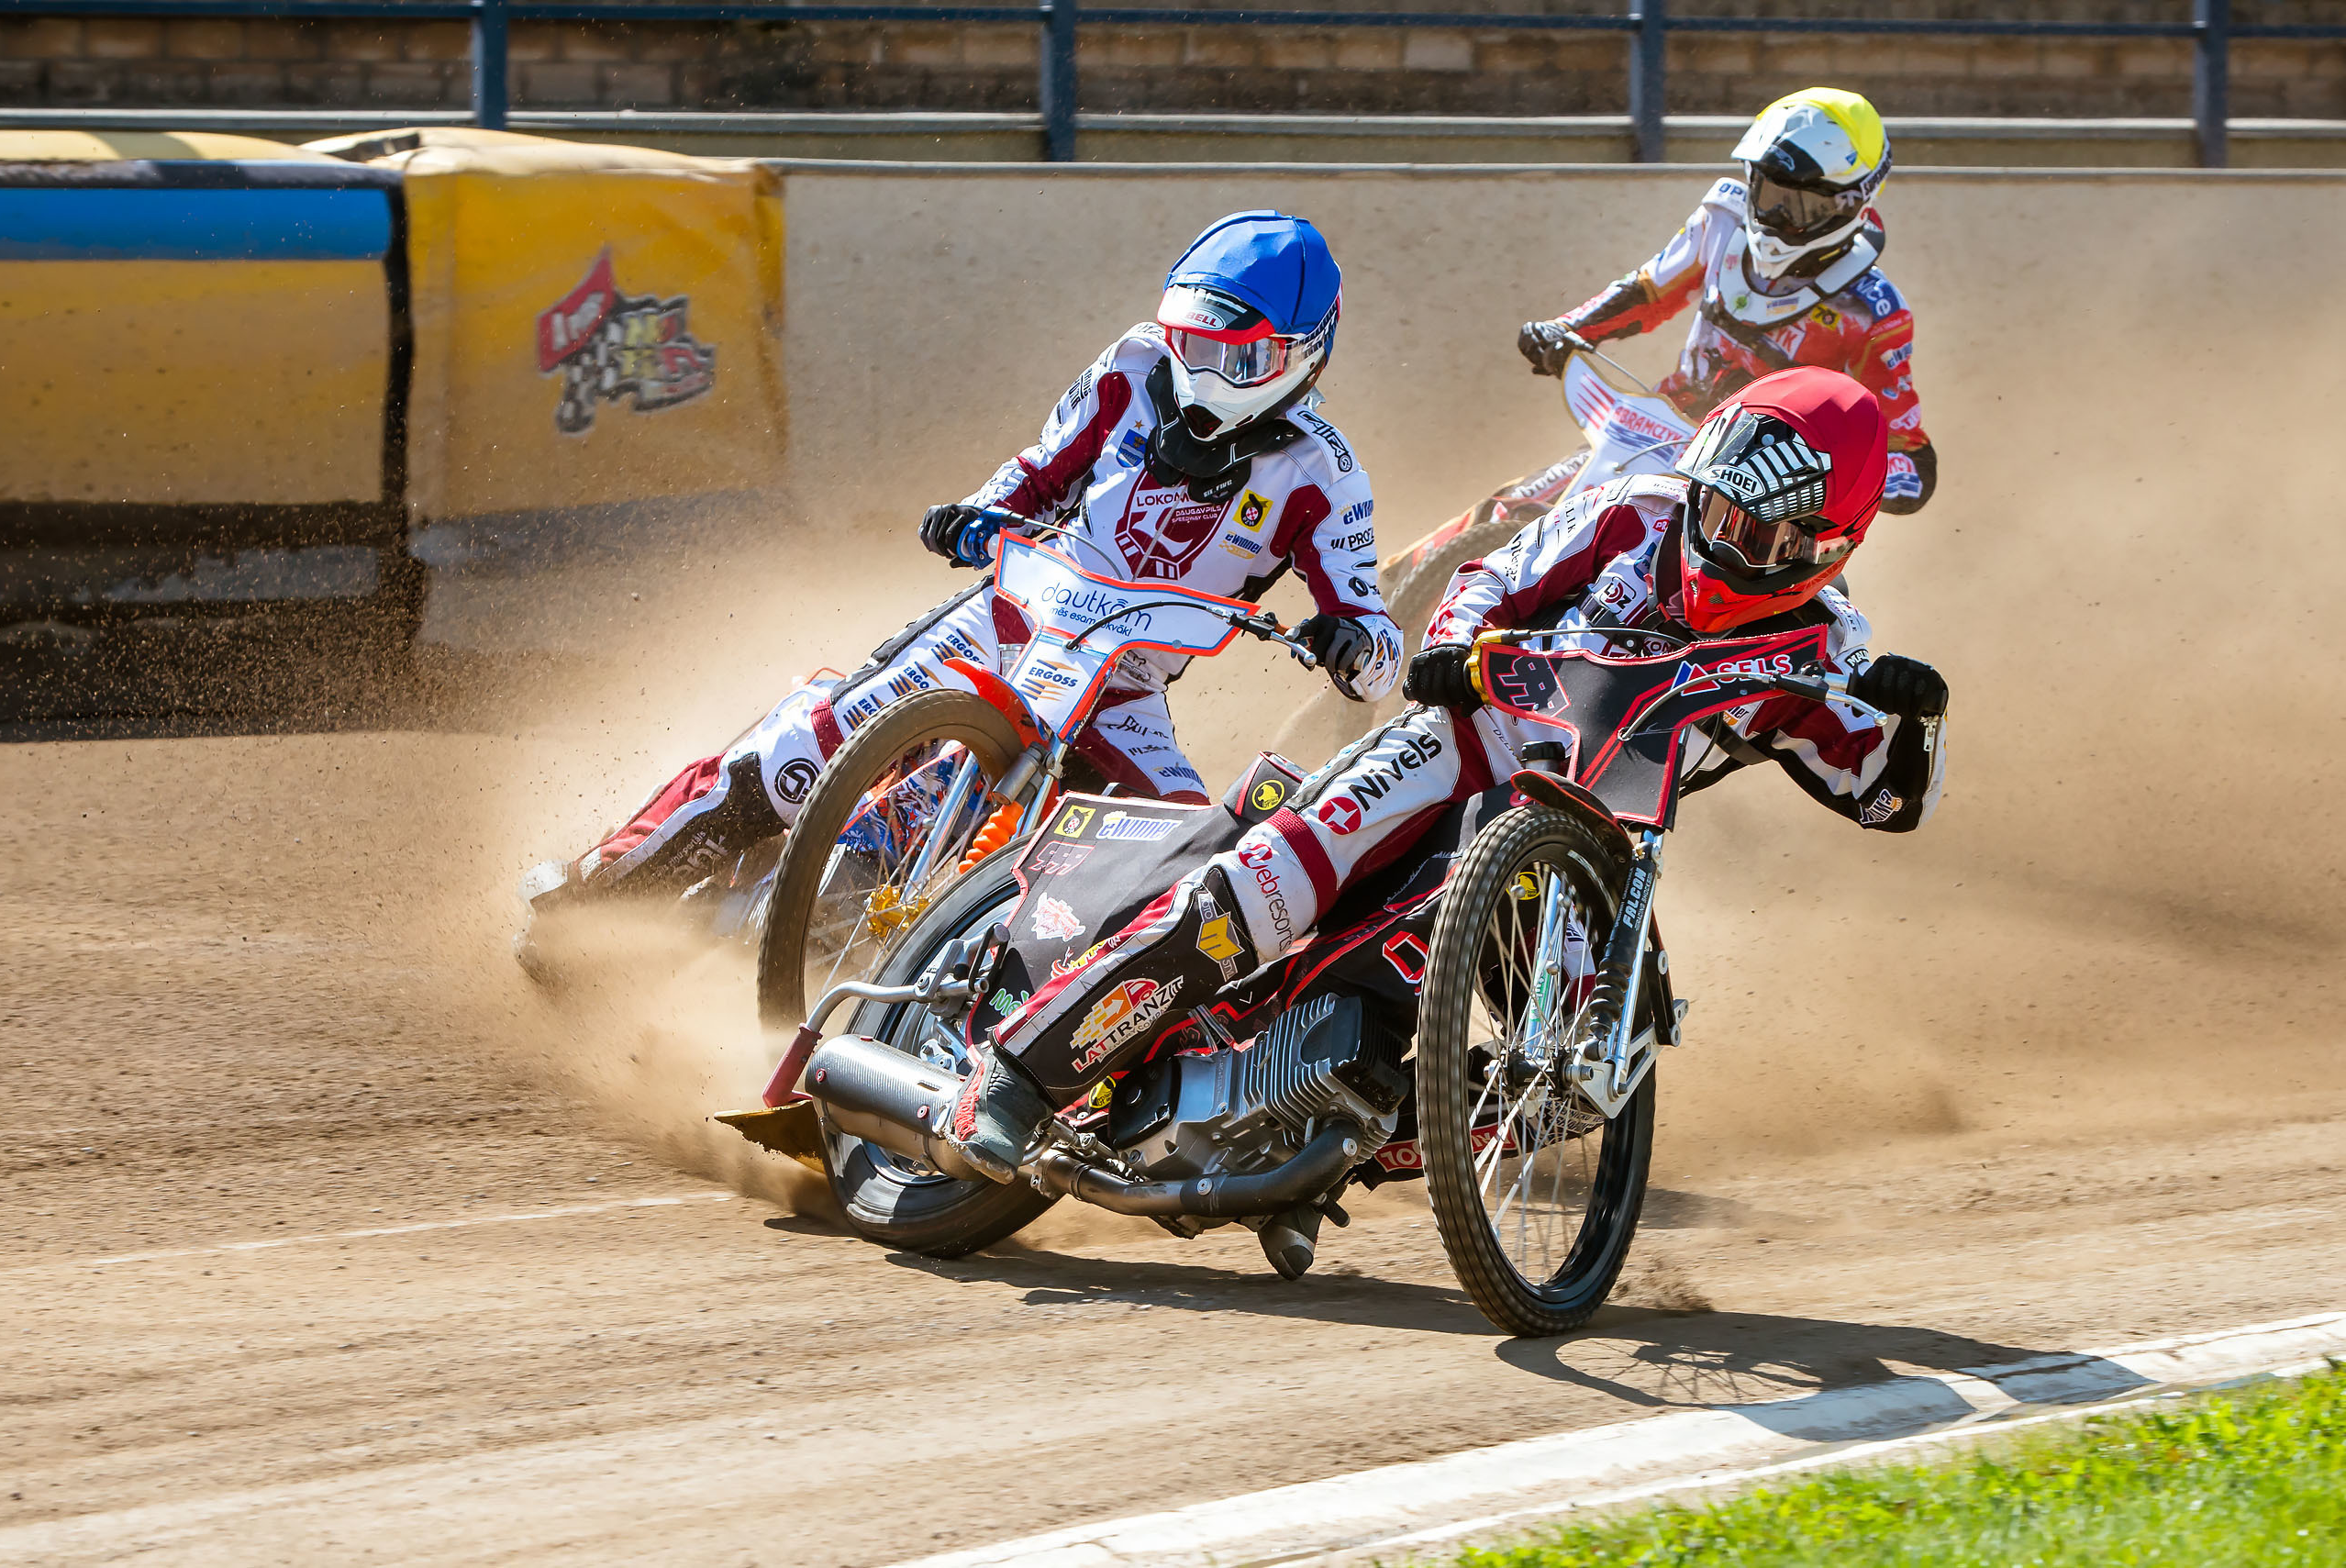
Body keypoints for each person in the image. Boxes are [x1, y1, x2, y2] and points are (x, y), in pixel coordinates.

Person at [941, 365, 1949, 1181]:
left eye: (1761, 538)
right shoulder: (1639, 507)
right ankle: (1016, 1074)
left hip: (1591, 841)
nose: (1721, 542)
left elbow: (1888, 795)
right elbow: (1494, 574)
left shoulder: (1826, 649)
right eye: (1718, 511)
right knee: (1269, 879)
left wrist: (1915, 722)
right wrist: (1453, 644)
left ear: (1828, 546)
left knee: (1596, 1060)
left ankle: (1355, 1139)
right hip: (1474, 734)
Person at [518, 211, 1404, 931]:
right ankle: (596, 886)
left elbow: (1378, 649)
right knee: (798, 752)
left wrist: (1350, 643)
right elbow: (1041, 469)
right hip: (1014, 616)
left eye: (1236, 359)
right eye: (1191, 343)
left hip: (1127, 689)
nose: (1203, 374)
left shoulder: (1326, 474)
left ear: (1302, 352)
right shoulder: (1135, 365)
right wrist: (975, 515)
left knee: (1188, 874)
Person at [1517, 87, 1937, 516]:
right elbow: (1648, 291)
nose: (1778, 219)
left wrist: (1818, 471)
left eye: (1802, 207)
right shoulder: (1722, 222)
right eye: (1771, 196)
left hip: (1751, 490)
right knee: (1517, 505)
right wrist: (1567, 329)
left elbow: (1912, 463)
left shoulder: (1870, 312)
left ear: (1853, 202)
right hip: (1659, 427)